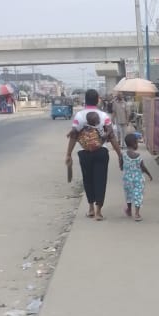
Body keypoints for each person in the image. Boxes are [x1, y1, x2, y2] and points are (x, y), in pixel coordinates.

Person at [65, 89, 123, 221]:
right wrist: (120, 154)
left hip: (84, 152)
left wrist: (68, 154)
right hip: (101, 152)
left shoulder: (79, 116)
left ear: (85, 100)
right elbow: (112, 137)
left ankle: (90, 209)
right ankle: (98, 212)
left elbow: (73, 136)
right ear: (97, 100)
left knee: (88, 179)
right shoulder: (104, 116)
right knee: (100, 180)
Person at [122, 133, 152, 220]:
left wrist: (123, 167)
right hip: (138, 180)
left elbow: (121, 164)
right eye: (137, 142)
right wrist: (149, 174)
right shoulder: (138, 156)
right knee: (138, 195)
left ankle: (129, 210)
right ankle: (137, 214)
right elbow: (143, 167)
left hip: (127, 180)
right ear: (134, 143)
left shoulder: (123, 155)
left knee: (128, 194)